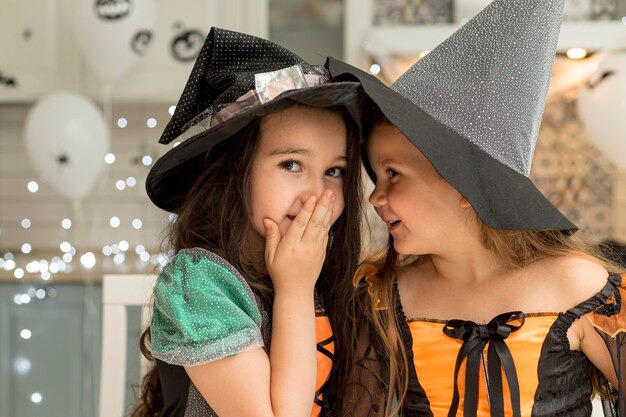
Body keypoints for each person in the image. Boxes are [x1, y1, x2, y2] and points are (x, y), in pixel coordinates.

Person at [325, 0, 626, 415]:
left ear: (462, 182)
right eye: (376, 176)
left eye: (393, 173)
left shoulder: (581, 288)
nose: (376, 196)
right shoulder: (379, 294)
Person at [130, 27, 364, 417]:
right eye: (292, 164)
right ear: (232, 169)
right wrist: (295, 287)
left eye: (335, 171)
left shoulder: (323, 275)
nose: (316, 195)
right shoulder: (198, 283)